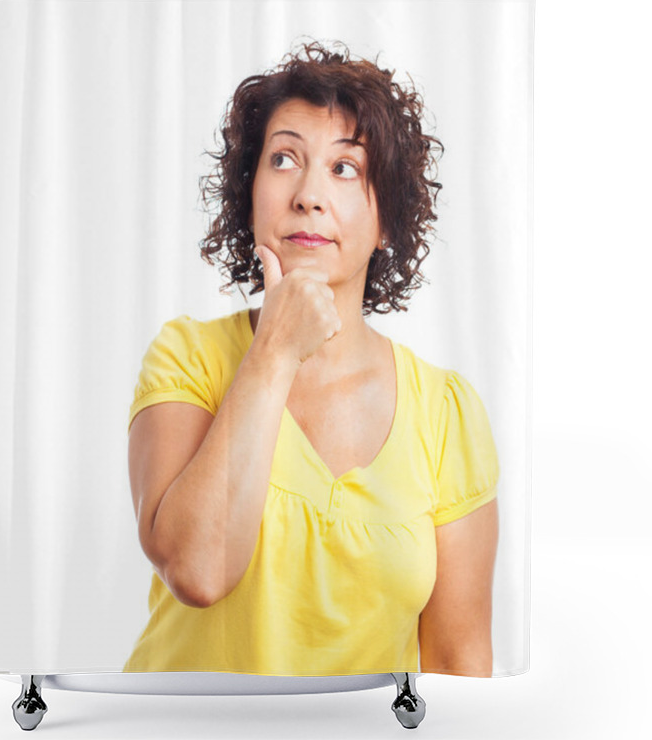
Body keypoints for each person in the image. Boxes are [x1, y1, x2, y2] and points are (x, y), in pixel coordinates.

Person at [122, 40, 499, 677]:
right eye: (284, 159)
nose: (308, 195)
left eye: (345, 168)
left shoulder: (446, 413)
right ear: (251, 194)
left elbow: (459, 665)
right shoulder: (187, 358)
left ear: (387, 221)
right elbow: (199, 569)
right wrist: (274, 351)